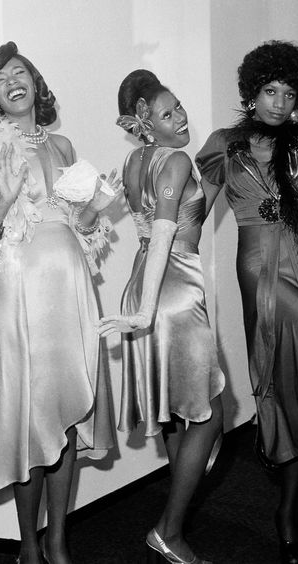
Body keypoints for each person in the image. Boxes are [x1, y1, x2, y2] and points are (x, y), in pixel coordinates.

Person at [0, 41, 119, 564]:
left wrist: (101, 206)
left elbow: (79, 225)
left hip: (72, 287)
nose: (13, 82)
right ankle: (29, 547)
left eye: (20, 72)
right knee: (32, 419)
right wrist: (7, 193)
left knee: (65, 417)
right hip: (25, 292)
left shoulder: (61, 145)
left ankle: (59, 542)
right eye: (0, 79)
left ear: (36, 81)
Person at [195, 22, 298, 564]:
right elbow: (197, 213)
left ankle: (287, 515)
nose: (279, 101)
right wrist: (173, 272)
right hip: (262, 270)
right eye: (270, 90)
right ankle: (276, 462)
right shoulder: (227, 144)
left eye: (289, 93)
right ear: (252, 91)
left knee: (297, 399)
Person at [98, 69, 225, 564]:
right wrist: (148, 311)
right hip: (170, 287)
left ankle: (179, 497)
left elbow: (119, 221)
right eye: (168, 113)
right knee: (211, 417)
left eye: (179, 106)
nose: (182, 116)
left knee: (178, 406)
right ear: (146, 123)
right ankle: (168, 530)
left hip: (145, 280)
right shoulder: (174, 161)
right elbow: (169, 233)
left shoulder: (133, 160)